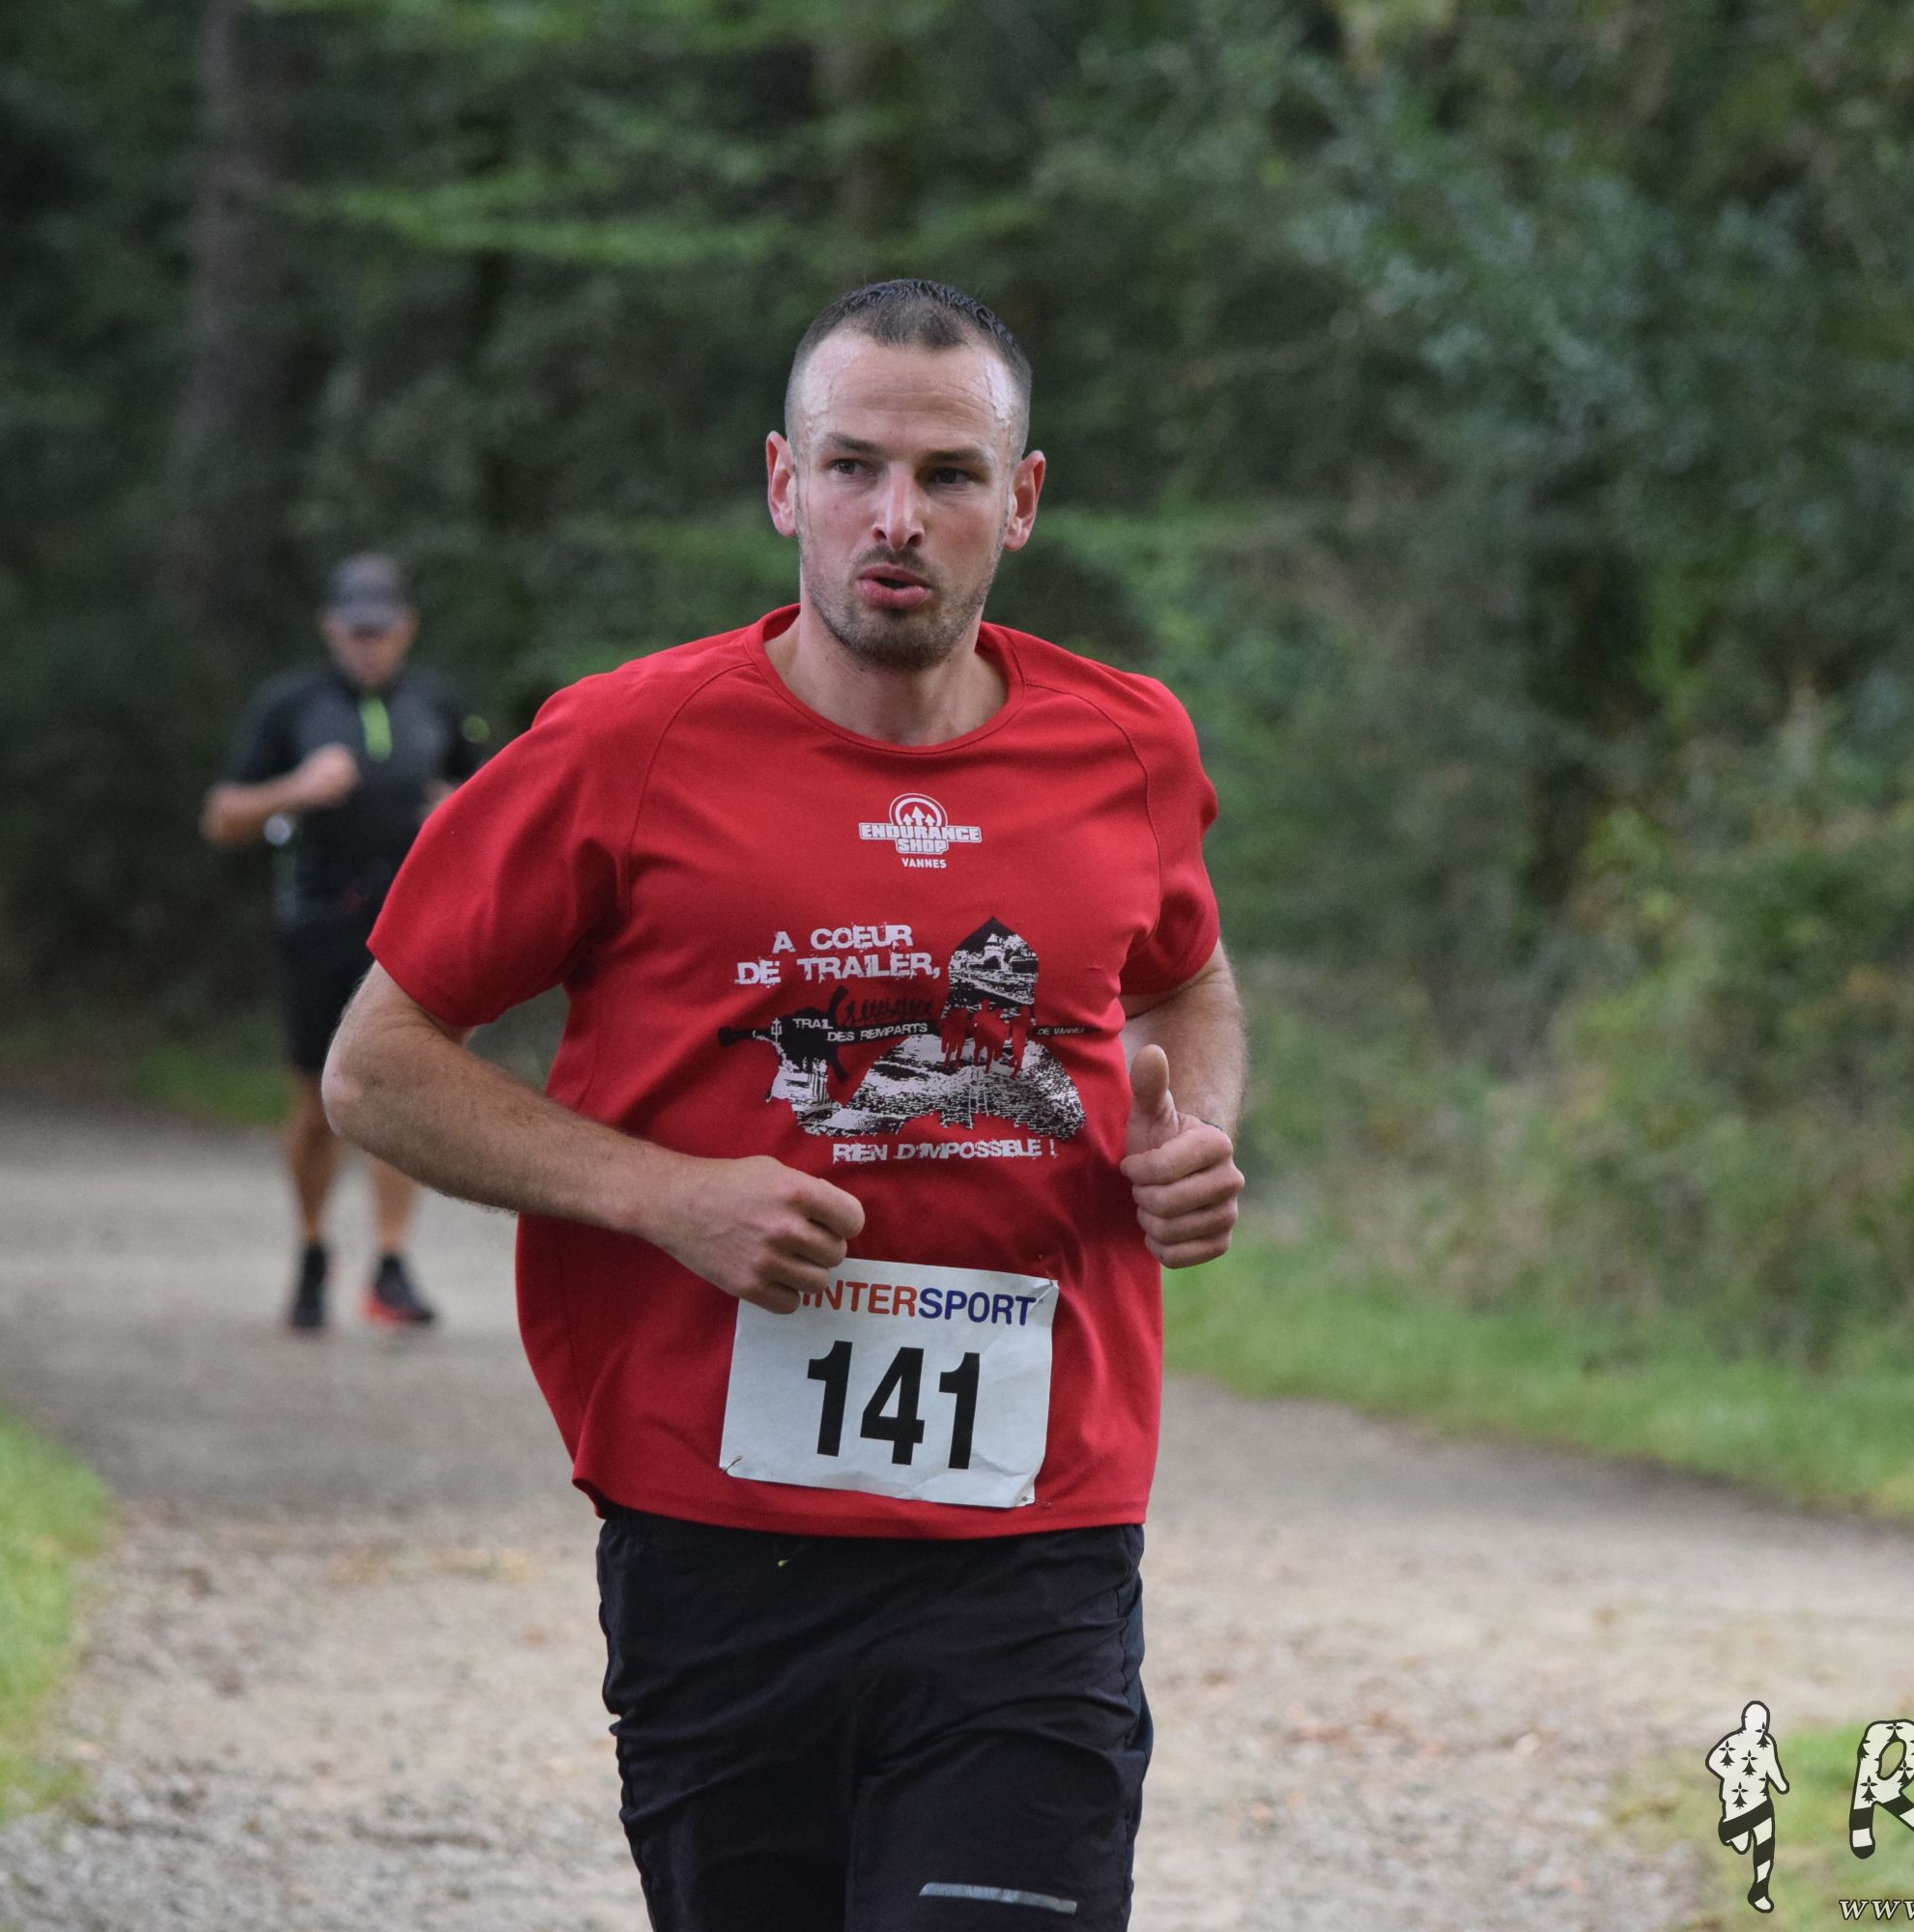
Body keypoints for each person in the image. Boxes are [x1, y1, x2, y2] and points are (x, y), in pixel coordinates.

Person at [324, 278, 1246, 1930]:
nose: (896, 518)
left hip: (1033, 1533)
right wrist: (664, 1195)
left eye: (949, 475)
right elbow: (376, 1065)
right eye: (851, 466)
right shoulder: (623, 745)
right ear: (781, 483)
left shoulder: (1126, 744)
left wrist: (1190, 1136)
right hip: (712, 1534)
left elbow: (1189, 980)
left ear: (1020, 502)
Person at [200, 553, 486, 1332]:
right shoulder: (290, 705)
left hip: (414, 927)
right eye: (356, 630)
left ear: (407, 628)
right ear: (331, 629)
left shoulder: (437, 702)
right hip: (319, 923)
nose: (369, 644)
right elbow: (221, 817)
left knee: (401, 1090)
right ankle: (311, 1247)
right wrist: (295, 788)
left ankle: (390, 1263)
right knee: (314, 1101)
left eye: (381, 630)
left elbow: (498, 799)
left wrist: (458, 806)